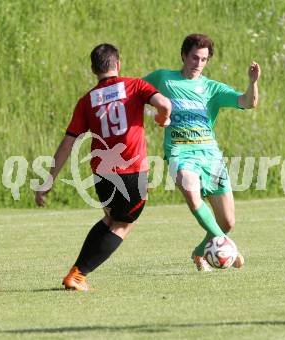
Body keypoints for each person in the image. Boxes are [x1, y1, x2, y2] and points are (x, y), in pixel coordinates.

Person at [35, 43, 171, 290]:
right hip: (132, 172)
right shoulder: (135, 86)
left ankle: (76, 273)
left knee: (110, 219)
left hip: (102, 175)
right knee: (123, 224)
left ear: (93, 69)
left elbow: (68, 143)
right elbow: (164, 104)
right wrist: (164, 118)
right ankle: (77, 275)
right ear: (118, 64)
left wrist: (48, 180)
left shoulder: (87, 100)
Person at [144, 33, 260, 271]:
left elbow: (248, 102)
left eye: (204, 60)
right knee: (190, 189)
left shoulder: (211, 88)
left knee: (227, 222)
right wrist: (157, 114)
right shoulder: (164, 78)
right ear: (183, 56)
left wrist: (253, 82)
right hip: (180, 153)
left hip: (211, 157)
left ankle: (200, 253)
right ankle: (228, 248)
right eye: (194, 58)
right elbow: (134, 92)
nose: (198, 64)